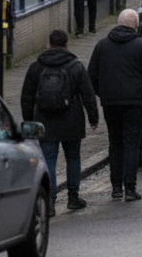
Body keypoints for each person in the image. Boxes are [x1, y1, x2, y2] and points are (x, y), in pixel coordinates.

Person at [20, 29, 98, 215]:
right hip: (72, 121)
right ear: (66, 44)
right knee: (73, 158)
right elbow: (88, 95)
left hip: (45, 122)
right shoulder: (76, 66)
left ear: (49, 43)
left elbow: (27, 97)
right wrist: (93, 118)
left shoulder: (36, 67)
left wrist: (29, 120)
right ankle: (73, 198)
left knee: (48, 161)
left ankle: (50, 202)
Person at [87, 8, 142, 202]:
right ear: (136, 25)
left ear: (118, 23)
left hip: (110, 103)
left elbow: (91, 75)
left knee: (115, 142)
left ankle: (116, 187)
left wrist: (103, 93)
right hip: (134, 102)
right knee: (132, 143)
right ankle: (130, 187)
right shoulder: (141, 46)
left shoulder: (102, 46)